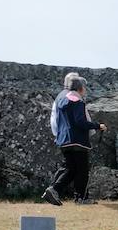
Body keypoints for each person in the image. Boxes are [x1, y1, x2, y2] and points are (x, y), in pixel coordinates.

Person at [44, 74, 105, 206]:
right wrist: (98, 126)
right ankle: (80, 198)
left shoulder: (61, 100)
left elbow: (56, 119)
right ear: (80, 88)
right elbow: (80, 122)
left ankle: (54, 190)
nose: (85, 90)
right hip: (77, 140)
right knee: (82, 170)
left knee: (71, 169)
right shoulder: (77, 101)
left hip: (63, 140)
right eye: (84, 88)